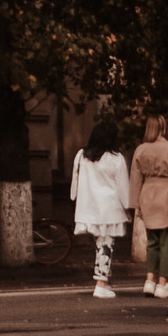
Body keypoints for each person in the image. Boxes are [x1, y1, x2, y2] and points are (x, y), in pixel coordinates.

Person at [71, 121, 130, 298]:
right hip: (109, 208)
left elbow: (75, 180)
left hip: (87, 207)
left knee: (100, 244)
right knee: (106, 244)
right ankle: (101, 283)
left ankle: (103, 280)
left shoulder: (82, 155)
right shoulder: (116, 158)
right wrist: (128, 208)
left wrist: (74, 198)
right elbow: (123, 188)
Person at [130, 116, 168, 298]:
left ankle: (149, 280)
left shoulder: (140, 149)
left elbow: (135, 179)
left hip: (147, 193)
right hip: (166, 192)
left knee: (152, 241)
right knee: (167, 240)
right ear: (163, 127)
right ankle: (163, 283)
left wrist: (135, 205)